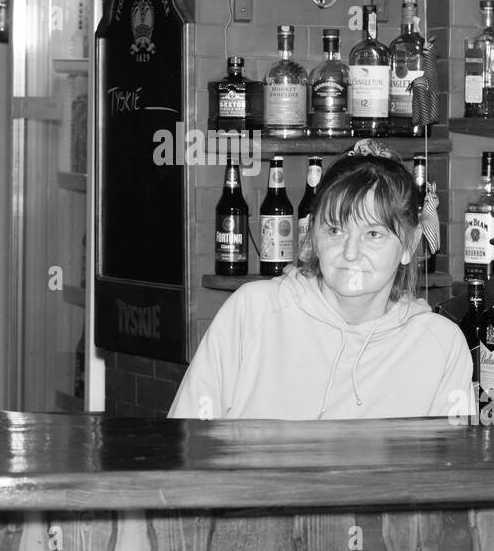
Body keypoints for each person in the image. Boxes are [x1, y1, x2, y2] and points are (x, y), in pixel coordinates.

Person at [168, 139, 471, 420]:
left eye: (374, 234)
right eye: (335, 231)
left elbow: (447, 472)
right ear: (312, 235)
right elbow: (188, 442)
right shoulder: (252, 311)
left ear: (408, 244)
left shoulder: (440, 345)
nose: (351, 253)